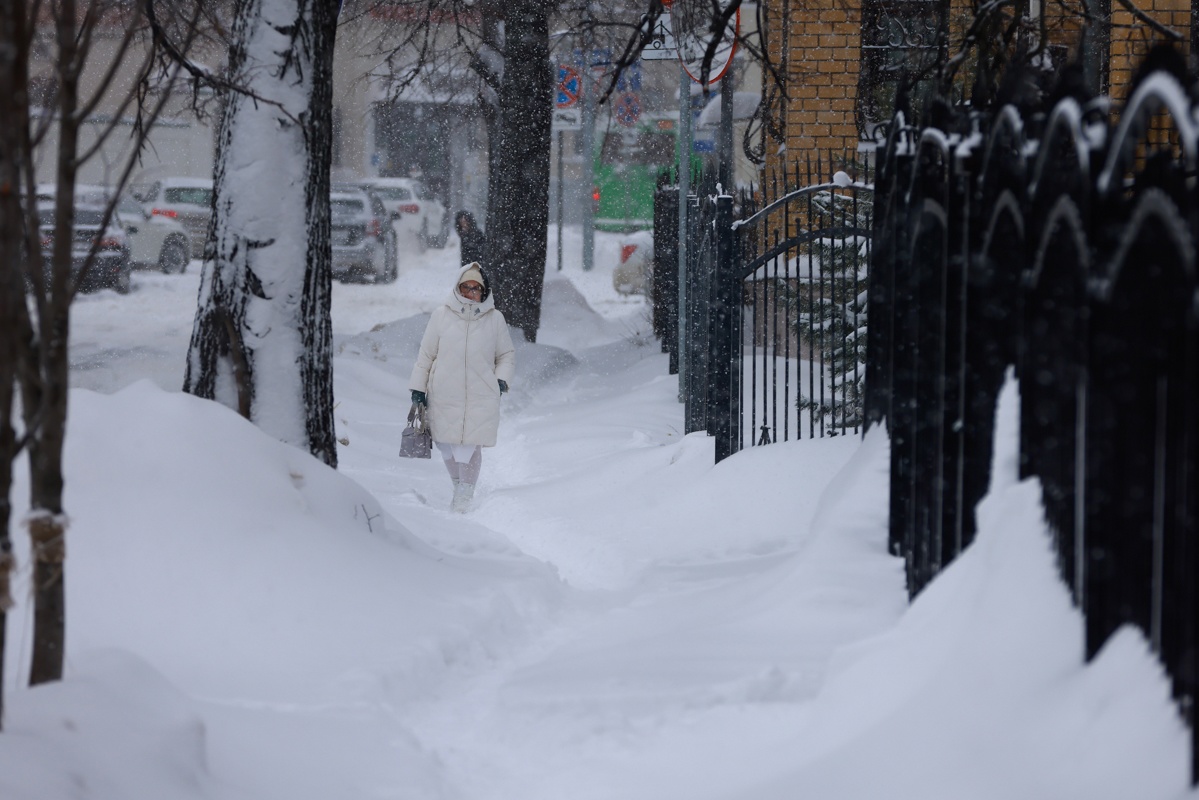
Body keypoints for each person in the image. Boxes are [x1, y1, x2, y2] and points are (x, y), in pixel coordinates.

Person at [410, 263, 516, 512]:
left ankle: (464, 496)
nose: (470, 292)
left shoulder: (495, 319)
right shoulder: (441, 315)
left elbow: (506, 355)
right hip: (444, 392)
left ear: (484, 291)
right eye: (465, 287)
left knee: (469, 444)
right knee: (446, 442)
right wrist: (418, 388)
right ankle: (459, 486)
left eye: (475, 288)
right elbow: (426, 354)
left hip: (481, 393)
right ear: (457, 288)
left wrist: (500, 381)